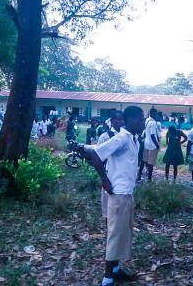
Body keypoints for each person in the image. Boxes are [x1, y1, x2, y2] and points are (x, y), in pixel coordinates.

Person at [84, 106, 145, 286]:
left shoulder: (134, 139)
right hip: (118, 194)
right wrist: (105, 180)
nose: (143, 123)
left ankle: (116, 270)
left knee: (124, 233)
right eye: (140, 120)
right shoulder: (121, 138)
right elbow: (95, 154)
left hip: (127, 193)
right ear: (131, 120)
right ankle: (107, 278)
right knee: (115, 235)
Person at [98, 110, 125, 221]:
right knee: (108, 206)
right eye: (119, 119)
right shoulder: (105, 136)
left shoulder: (127, 136)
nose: (122, 122)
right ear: (113, 121)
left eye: (123, 119)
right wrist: (104, 177)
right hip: (110, 174)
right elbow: (98, 157)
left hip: (123, 175)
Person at [138, 108, 159, 182]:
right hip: (152, 145)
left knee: (143, 161)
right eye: (156, 114)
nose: (157, 115)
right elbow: (153, 135)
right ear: (153, 114)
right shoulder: (153, 122)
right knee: (151, 163)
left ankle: (139, 176)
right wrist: (157, 145)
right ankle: (149, 179)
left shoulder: (147, 120)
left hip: (146, 144)